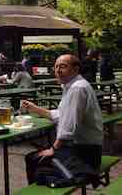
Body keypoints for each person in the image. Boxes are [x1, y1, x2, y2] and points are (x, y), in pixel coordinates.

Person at [22, 54, 103, 186]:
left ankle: (77, 176)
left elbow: (69, 127)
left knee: (34, 160)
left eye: (63, 66)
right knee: (35, 160)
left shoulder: (77, 88)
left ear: (76, 69)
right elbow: (61, 115)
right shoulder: (73, 86)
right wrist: (35, 108)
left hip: (84, 154)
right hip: (83, 149)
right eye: (56, 67)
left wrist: (53, 148)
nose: (58, 70)